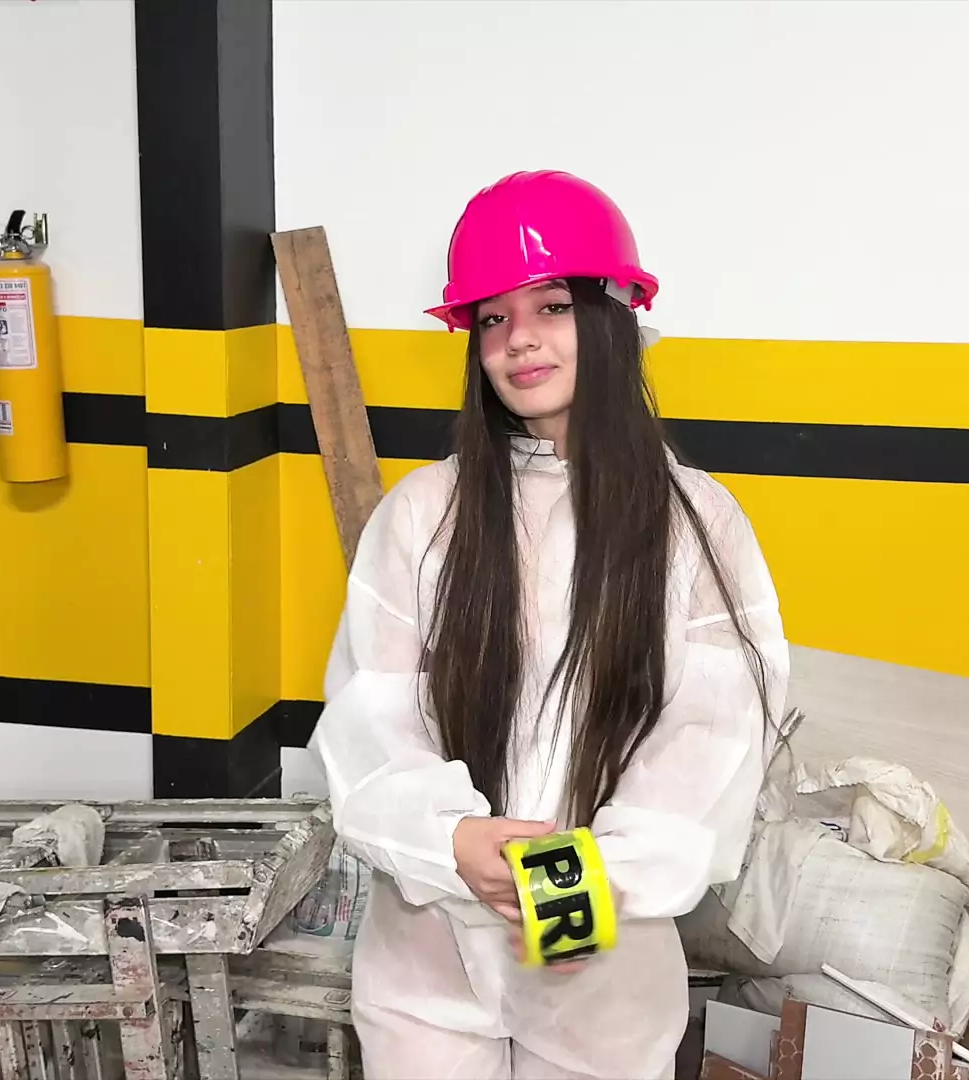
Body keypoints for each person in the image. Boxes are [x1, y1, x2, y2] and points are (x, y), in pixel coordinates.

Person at [307, 170, 790, 1079]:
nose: (518, 338)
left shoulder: (695, 521)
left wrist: (582, 886)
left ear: (612, 317)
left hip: (597, 966)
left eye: (553, 306)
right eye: (493, 317)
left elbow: (714, 733)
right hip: (427, 954)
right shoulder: (424, 513)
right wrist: (449, 838)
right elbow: (374, 712)